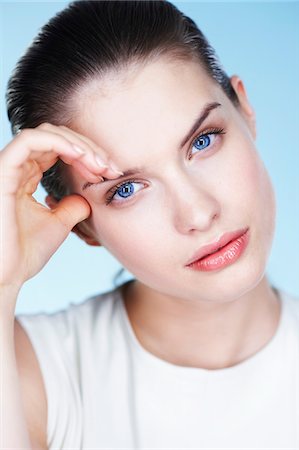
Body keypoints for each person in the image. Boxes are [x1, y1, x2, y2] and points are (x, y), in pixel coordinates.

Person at [1, 1, 298, 449]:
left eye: (203, 141)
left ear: (246, 110)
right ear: (82, 226)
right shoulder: (35, 372)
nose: (199, 214)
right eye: (125, 189)